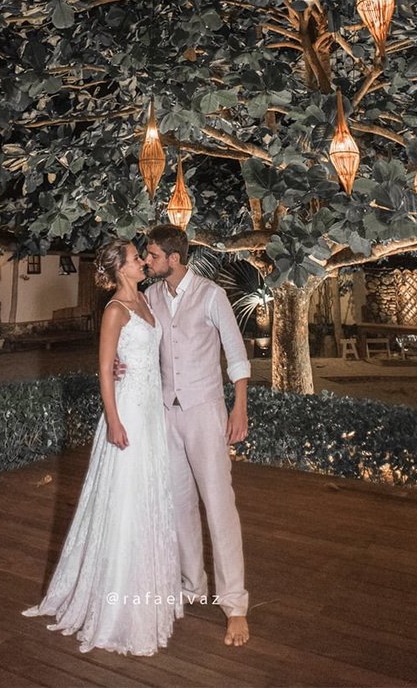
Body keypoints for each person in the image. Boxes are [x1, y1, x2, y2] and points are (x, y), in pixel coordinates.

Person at [24, 239, 181, 656]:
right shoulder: (114, 310)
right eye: (135, 259)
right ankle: (116, 609)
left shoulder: (146, 300)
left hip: (150, 412)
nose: (142, 261)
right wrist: (113, 420)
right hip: (127, 411)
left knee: (149, 496)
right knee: (124, 500)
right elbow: (104, 370)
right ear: (119, 270)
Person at [141, 224, 253, 646]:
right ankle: (192, 586)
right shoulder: (151, 296)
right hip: (165, 415)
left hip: (206, 412)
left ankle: (235, 606)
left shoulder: (211, 295)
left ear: (174, 258)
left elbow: (236, 354)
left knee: (219, 506)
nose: (148, 261)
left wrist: (238, 407)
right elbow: (144, 348)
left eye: (152, 255)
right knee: (180, 504)